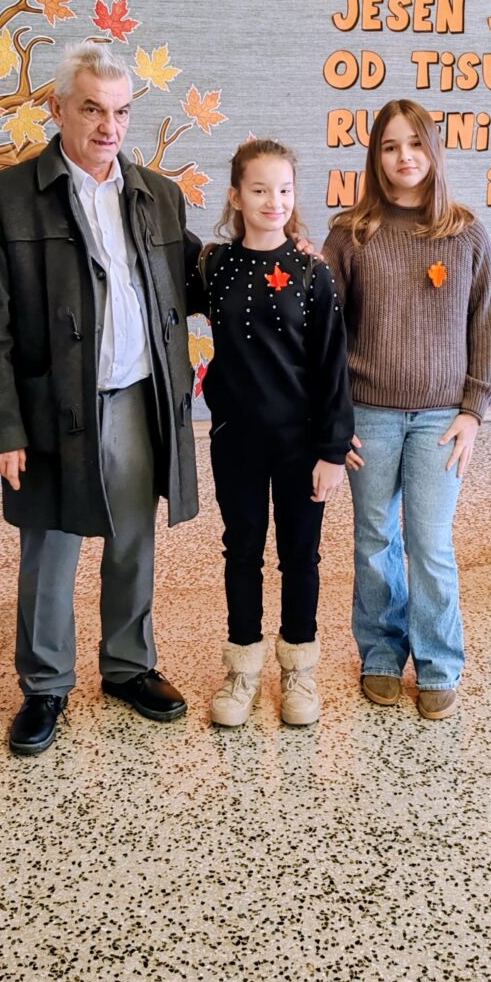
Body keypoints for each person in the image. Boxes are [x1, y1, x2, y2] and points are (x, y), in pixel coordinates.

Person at [0, 42, 201, 755]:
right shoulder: (7, 198)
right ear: (57, 108)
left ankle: (128, 667)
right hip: (50, 405)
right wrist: (1, 426)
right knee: (49, 545)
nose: (109, 126)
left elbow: (200, 280)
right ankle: (44, 685)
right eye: (93, 109)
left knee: (132, 538)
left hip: (136, 396)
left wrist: (279, 256)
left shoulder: (157, 195)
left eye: (121, 111)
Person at [323, 99, 491, 721]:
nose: (404, 157)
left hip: (441, 420)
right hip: (367, 415)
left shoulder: (465, 233)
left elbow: (486, 326)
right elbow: (326, 336)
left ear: (433, 151)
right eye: (390, 146)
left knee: (429, 543)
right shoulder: (351, 234)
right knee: (375, 539)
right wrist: (333, 418)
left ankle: (438, 663)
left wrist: (473, 411)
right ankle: (379, 652)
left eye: (415, 144)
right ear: (375, 157)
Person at [189, 140, 353, 727]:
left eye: (284, 190)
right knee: (242, 551)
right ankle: (243, 669)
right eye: (259, 189)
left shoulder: (313, 273)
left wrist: (333, 450)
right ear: (236, 196)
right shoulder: (213, 267)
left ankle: (299, 669)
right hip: (236, 438)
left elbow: (332, 366)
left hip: (301, 443)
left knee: (300, 556)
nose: (273, 201)